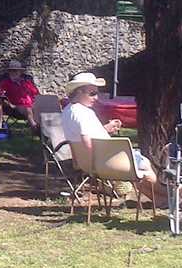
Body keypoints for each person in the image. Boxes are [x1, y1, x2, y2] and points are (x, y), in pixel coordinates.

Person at [60, 72, 164, 204]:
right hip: (104, 162)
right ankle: (169, 196)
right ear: (79, 92)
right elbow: (87, 142)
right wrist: (100, 161)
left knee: (139, 166)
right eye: (92, 93)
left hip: (86, 163)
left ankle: (161, 200)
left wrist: (106, 129)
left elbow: (84, 137)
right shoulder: (84, 113)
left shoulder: (68, 111)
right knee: (144, 166)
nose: (96, 98)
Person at [0, 60, 40, 129]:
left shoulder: (26, 82)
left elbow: (36, 94)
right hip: (15, 108)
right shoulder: (5, 83)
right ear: (9, 72)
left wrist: (37, 102)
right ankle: (34, 127)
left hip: (32, 105)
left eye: (16, 71)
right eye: (12, 71)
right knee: (28, 109)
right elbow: (1, 95)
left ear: (20, 72)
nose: (14, 73)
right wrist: (9, 104)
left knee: (43, 107)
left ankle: (46, 129)